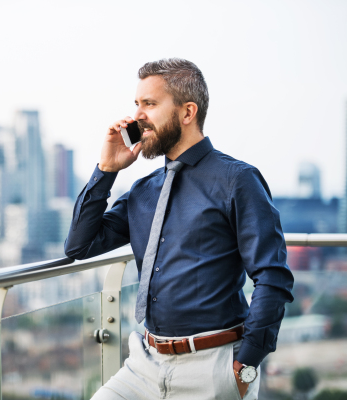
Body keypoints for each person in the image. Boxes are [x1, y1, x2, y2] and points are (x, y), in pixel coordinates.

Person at [64, 58, 294, 400]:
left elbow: (273, 277)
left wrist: (245, 365)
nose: (137, 116)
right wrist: (106, 169)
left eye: (150, 104)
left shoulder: (238, 180)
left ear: (187, 113)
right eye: (137, 104)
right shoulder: (143, 190)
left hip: (213, 366)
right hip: (144, 362)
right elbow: (79, 247)